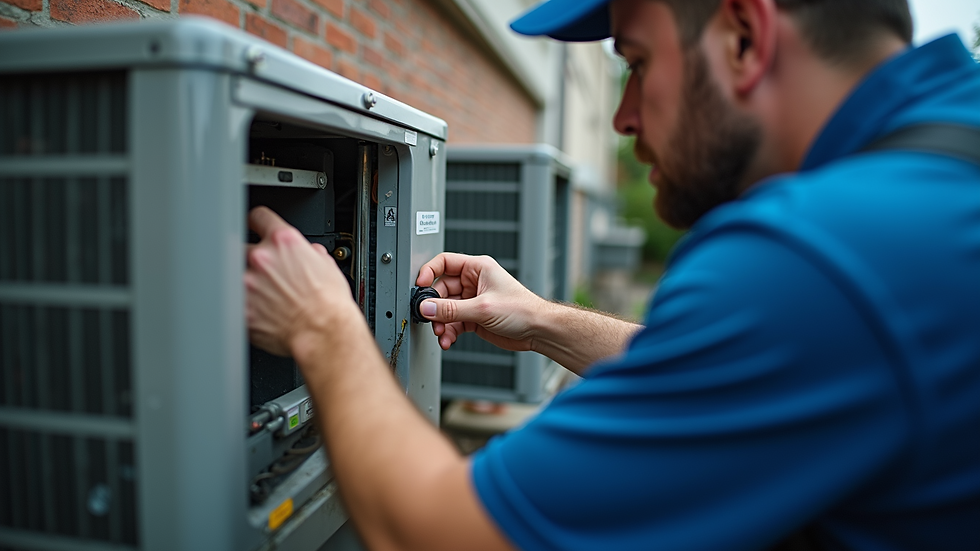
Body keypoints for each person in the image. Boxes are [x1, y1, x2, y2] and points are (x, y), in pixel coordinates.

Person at [244, 0, 980, 549]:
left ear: (745, 36)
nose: (624, 116)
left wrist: (325, 323)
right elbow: (747, 372)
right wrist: (542, 321)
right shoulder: (935, 177)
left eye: (637, 61)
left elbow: (437, 532)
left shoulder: (817, 254)